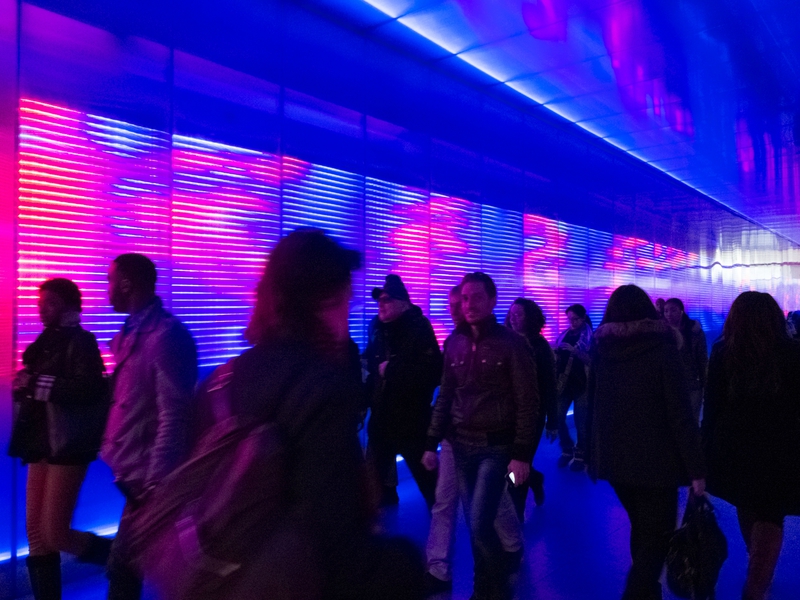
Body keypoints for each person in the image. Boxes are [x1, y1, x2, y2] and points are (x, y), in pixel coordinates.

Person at [215, 228, 423, 599]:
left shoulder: (228, 377)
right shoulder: (320, 386)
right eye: (347, 298)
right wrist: (405, 565)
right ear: (326, 301)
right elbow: (334, 546)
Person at [423, 272, 538, 600]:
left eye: (476, 297)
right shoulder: (454, 342)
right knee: (478, 524)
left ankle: (495, 588)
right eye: (464, 298)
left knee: (477, 520)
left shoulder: (512, 344)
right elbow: (446, 395)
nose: (467, 304)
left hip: (495, 446)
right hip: (460, 444)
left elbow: (527, 401)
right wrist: (432, 441)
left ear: (491, 301)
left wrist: (522, 453)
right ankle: (484, 588)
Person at [587, 284, 706, 600]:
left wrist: (591, 453)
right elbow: (680, 415)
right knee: (657, 538)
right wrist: (697, 470)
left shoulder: (601, 350)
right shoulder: (663, 349)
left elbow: (591, 404)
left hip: (614, 461)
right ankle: (638, 594)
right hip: (657, 464)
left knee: (642, 527)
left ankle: (649, 593)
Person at [102, 254, 198, 600]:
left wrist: (157, 482)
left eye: (110, 281)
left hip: (146, 477)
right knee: (129, 567)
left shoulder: (164, 336)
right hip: (134, 470)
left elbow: (173, 415)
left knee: (124, 570)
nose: (107, 289)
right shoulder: (135, 331)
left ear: (127, 284)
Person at [8, 278, 110, 599]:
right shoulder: (48, 340)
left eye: (49, 303)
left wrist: (36, 383)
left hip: (67, 444)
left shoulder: (80, 341)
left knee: (53, 532)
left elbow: (88, 389)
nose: (41, 309)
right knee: (37, 533)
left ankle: (120, 555)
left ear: (68, 305)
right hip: (42, 440)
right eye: (40, 303)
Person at [703, 291, 800, 600]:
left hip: (734, 447)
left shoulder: (722, 353)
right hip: (782, 446)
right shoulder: (794, 352)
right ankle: (757, 582)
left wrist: (703, 454)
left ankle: (757, 566)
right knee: (772, 510)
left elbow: (712, 408)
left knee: (747, 503)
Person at [365, 274, 442, 510]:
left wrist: (393, 370)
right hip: (381, 419)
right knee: (368, 491)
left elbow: (433, 372)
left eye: (388, 299)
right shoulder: (377, 329)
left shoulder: (418, 328)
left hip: (412, 421)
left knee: (433, 491)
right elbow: (370, 365)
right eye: (380, 300)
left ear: (404, 303)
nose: (382, 304)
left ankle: (442, 540)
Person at [505, 297, 558, 515]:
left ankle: (516, 517)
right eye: (512, 314)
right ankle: (535, 479)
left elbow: (549, 386)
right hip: (508, 414)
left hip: (532, 415)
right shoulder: (506, 341)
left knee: (518, 464)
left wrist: (553, 421)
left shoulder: (540, 347)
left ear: (530, 318)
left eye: (519, 314)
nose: (513, 318)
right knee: (512, 462)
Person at [554, 304, 592, 471]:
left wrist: (574, 351)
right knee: (557, 416)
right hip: (564, 382)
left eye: (575, 319)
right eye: (570, 319)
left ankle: (581, 452)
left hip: (582, 383)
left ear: (583, 318)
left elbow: (592, 361)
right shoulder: (564, 334)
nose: (572, 322)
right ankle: (567, 448)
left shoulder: (591, 336)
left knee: (580, 421)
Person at [664, 298, 708, 423]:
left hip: (692, 383)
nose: (669, 314)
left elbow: (702, 359)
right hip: (670, 383)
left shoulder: (694, 331)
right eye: (666, 311)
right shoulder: (663, 332)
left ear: (681, 311)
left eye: (673, 310)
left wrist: (706, 385)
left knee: (691, 420)